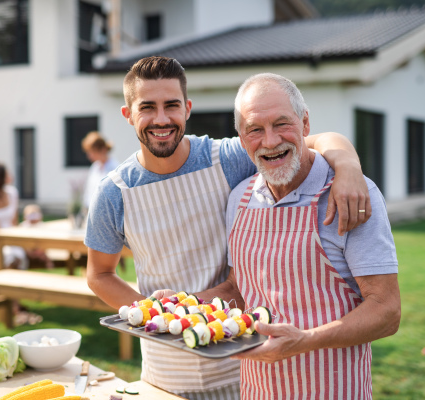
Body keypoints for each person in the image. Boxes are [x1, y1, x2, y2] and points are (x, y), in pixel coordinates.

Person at [85, 56, 372, 400]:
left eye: (171, 105)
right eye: (148, 107)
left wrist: (348, 166)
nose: (161, 119)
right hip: (165, 372)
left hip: (243, 362)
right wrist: (156, 317)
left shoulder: (227, 158)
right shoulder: (112, 192)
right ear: (128, 114)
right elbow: (98, 274)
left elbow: (316, 138)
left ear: (187, 108)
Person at [217, 73, 399, 398]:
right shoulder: (239, 198)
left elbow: (386, 311)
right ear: (242, 138)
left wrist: (306, 340)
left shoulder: (350, 194)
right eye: (255, 129)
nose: (270, 141)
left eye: (281, 124)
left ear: (305, 124)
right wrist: (176, 305)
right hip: (257, 390)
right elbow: (237, 289)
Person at [81, 131, 119, 210]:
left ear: (103, 150)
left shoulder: (115, 169)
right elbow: (89, 190)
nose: (89, 155)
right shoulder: (95, 167)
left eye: (92, 151)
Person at [20, 204, 54, 269]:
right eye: (30, 216)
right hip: (28, 251)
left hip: (40, 250)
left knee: (46, 257)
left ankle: (49, 265)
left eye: (35, 215)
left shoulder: (41, 226)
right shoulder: (23, 226)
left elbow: (46, 240)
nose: (33, 218)